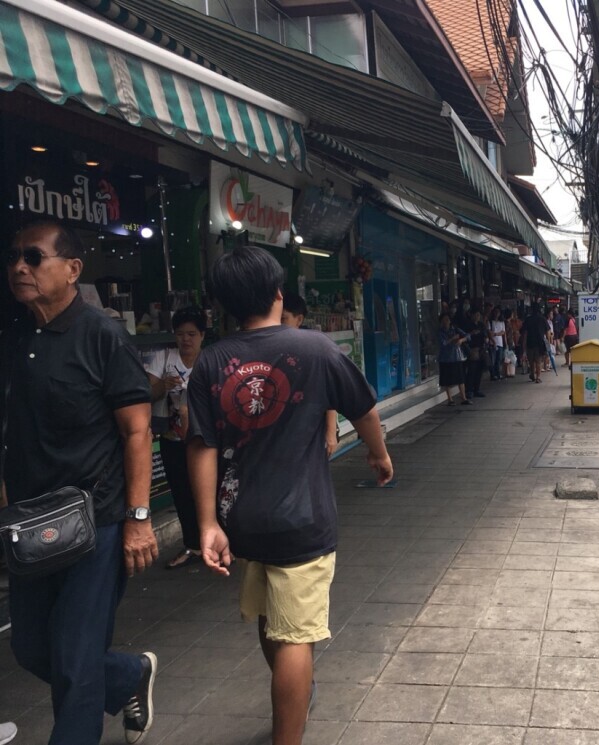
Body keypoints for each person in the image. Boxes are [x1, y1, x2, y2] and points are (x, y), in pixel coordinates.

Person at [185, 246, 393, 745]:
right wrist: (378, 453)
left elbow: (201, 445)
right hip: (303, 517)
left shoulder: (212, 360)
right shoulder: (314, 348)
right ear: (278, 295)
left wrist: (208, 523)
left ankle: (292, 691)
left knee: (268, 615)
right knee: (297, 636)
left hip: (244, 520)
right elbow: (363, 408)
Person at [1, 222, 157, 745]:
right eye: (15, 258)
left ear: (72, 269)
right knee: (33, 650)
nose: (20, 267)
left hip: (96, 523)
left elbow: (137, 430)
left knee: (74, 660)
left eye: (34, 257)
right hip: (29, 523)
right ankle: (130, 675)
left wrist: (138, 519)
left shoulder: (101, 334)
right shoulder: (16, 334)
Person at [145, 306, 207, 569]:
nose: (186, 339)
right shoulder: (163, 358)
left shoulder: (209, 360)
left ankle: (214, 542)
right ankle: (192, 545)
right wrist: (162, 386)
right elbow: (146, 394)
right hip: (172, 440)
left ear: (202, 335)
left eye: (192, 334)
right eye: (181, 334)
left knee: (208, 492)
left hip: (204, 441)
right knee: (182, 494)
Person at [281, 293, 339, 458]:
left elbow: (329, 391)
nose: (278, 325)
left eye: (283, 319)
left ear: (299, 320)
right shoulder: (270, 348)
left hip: (311, 430)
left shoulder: (314, 348)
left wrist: (330, 431)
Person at [437, 313, 471, 405]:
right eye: (444, 319)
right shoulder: (440, 332)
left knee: (461, 378)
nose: (446, 321)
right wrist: (452, 338)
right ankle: (450, 399)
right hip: (445, 358)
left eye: (448, 319)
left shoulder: (455, 329)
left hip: (457, 356)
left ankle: (464, 398)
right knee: (447, 379)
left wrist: (461, 340)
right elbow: (443, 343)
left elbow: (468, 336)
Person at [521, 304, 549, 383]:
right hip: (540, 343)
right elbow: (547, 332)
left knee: (531, 361)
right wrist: (548, 343)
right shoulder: (543, 319)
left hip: (530, 342)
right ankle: (538, 377)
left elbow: (525, 333)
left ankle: (532, 374)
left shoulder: (528, 319)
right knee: (538, 361)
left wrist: (524, 344)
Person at [464, 309, 489, 399]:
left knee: (479, 371)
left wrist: (486, 338)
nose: (477, 317)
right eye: (476, 315)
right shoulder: (468, 325)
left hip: (481, 349)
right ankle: (469, 390)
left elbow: (485, 334)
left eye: (479, 315)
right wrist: (472, 333)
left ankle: (476, 389)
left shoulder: (481, 325)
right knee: (471, 371)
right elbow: (464, 336)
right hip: (472, 349)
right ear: (472, 315)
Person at [489, 308, 507, 380]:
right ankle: (493, 375)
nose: (497, 314)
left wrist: (496, 334)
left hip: (500, 343)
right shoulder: (490, 322)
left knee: (498, 359)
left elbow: (503, 332)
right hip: (492, 343)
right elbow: (489, 332)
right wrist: (494, 338)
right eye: (495, 312)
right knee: (492, 360)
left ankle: (498, 373)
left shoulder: (502, 322)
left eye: (498, 312)